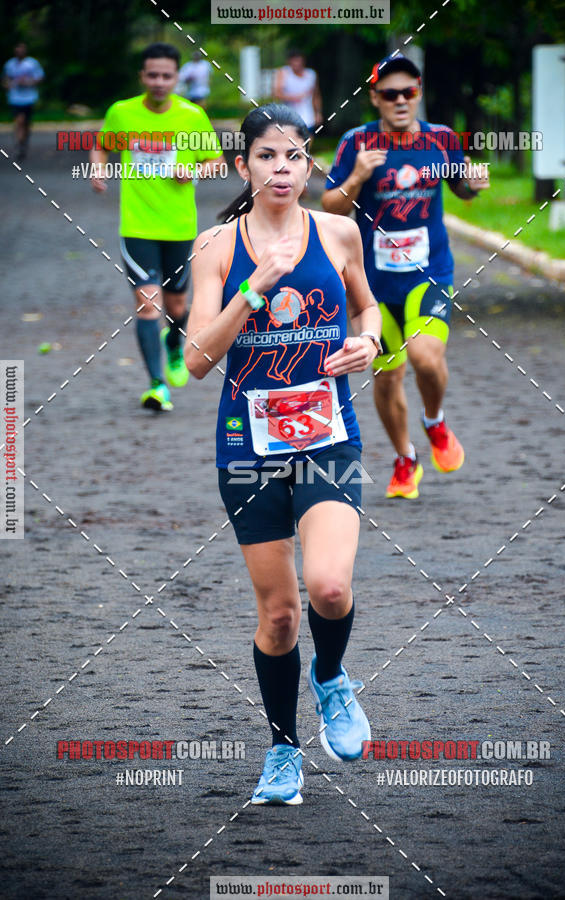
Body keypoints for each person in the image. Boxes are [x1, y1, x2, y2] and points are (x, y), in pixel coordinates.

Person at [184, 104, 382, 805]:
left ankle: (330, 677)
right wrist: (252, 288)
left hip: (328, 434)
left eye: (295, 157)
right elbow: (196, 360)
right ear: (245, 166)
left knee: (328, 588)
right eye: (268, 156)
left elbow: (367, 307)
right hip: (247, 446)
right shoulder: (216, 247)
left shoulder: (339, 231)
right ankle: (283, 751)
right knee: (279, 616)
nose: (282, 169)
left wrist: (371, 341)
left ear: (308, 165)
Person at [322, 54, 490, 499]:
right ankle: (404, 458)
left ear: (418, 93)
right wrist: (357, 175)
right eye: (390, 93)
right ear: (375, 97)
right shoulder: (356, 141)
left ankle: (434, 421)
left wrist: (474, 180)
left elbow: (462, 187)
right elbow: (330, 207)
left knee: (426, 359)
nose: (400, 100)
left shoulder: (441, 139)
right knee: (386, 376)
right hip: (373, 283)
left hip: (428, 272)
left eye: (409, 92)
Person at [90, 42, 224, 411]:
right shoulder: (123, 113)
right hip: (138, 224)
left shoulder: (191, 115)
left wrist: (193, 171)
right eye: (153, 75)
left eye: (167, 75)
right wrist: (100, 167)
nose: (160, 81)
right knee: (148, 304)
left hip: (180, 227)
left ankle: (175, 344)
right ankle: (156, 385)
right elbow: (102, 146)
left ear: (177, 77)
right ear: (142, 76)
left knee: (177, 305)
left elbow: (216, 161)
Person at [2, 42, 44, 162]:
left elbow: (40, 77)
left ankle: (24, 141)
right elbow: (5, 79)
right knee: (19, 121)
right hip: (15, 98)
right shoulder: (9, 64)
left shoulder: (32, 63)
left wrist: (28, 82)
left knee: (26, 123)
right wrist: (8, 85)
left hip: (29, 97)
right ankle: (19, 144)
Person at [274, 50, 322, 135]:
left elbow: (316, 95)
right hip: (289, 117)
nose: (297, 64)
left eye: (299, 61)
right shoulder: (283, 73)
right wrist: (295, 97)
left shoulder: (311, 74)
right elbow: (277, 94)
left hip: (308, 117)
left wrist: (318, 113)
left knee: (306, 143)